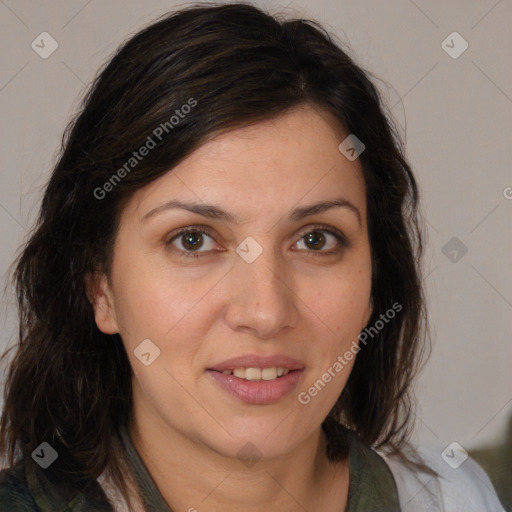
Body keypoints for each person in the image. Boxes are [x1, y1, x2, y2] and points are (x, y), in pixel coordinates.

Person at [0, 3, 505, 511]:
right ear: (100, 286)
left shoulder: (455, 498)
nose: (265, 313)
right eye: (193, 240)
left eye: (315, 240)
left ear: (377, 278)